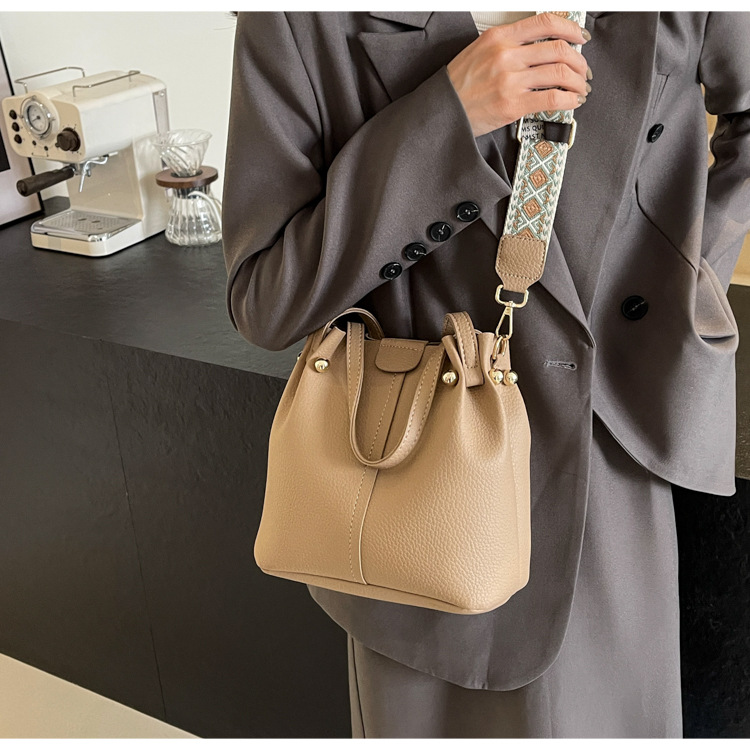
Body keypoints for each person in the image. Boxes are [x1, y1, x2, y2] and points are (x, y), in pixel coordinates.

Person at [222, 10, 750, 738]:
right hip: (418, 480)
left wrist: (686, 272)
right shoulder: (296, 21)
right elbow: (266, 298)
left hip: (609, 465)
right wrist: (449, 120)